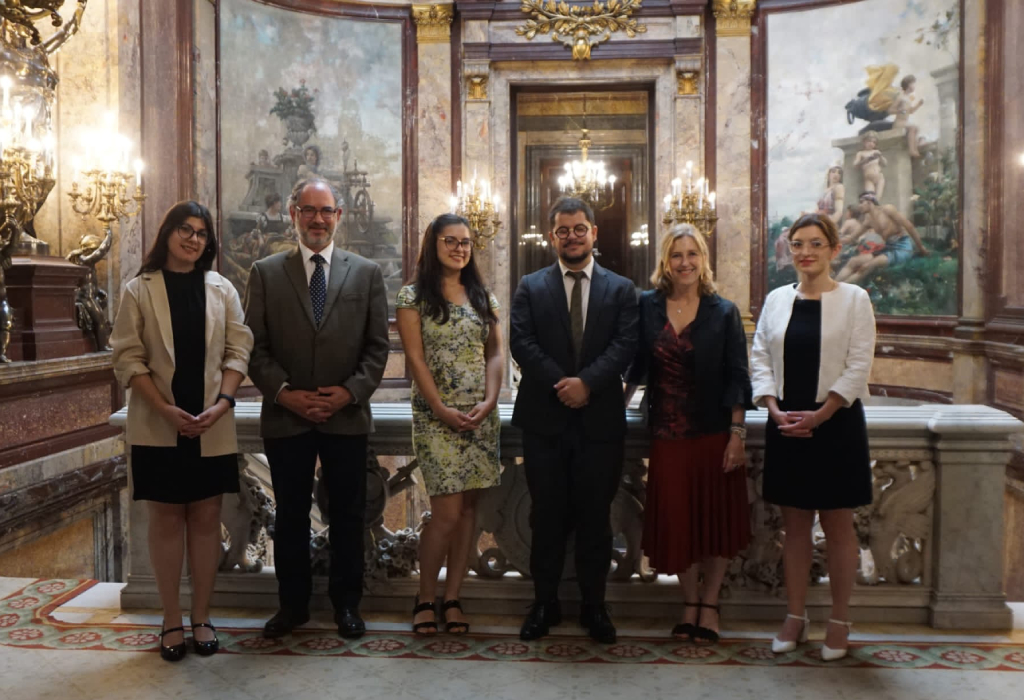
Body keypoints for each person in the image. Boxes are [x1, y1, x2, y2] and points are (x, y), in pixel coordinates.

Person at [244, 176, 389, 640]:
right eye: (308, 211)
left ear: (339, 217)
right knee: (289, 517)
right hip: (287, 416)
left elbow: (377, 348)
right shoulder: (265, 273)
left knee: (348, 516)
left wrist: (348, 393)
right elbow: (254, 348)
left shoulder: (366, 273)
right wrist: (286, 393)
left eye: (326, 211)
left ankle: (347, 605)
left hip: (346, 416)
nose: (318, 220)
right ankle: (293, 607)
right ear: (293, 215)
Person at [110, 201, 254, 661]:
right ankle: (171, 618)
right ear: (168, 232)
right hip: (159, 423)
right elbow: (127, 359)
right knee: (168, 521)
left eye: (201, 234)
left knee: (207, 521)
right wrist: (165, 409)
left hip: (211, 424)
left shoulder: (222, 288)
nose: (194, 239)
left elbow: (238, 352)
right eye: (185, 230)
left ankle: (202, 617)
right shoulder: (139, 290)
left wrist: (223, 404)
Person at [510, 196, 638, 644]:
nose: (571, 237)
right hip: (545, 422)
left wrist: (587, 383)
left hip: (599, 424)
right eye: (562, 230)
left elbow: (625, 346)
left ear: (593, 233)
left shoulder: (621, 289)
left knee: (594, 519)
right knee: (545, 518)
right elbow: (521, 342)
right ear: (552, 236)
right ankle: (543, 604)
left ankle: (594, 607)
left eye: (579, 228)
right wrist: (564, 384)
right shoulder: (530, 285)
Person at [750, 213, 876, 662]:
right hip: (785, 422)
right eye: (798, 244)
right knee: (795, 527)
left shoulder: (855, 299)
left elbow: (860, 364)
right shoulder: (776, 300)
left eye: (816, 244)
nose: (805, 252)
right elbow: (760, 355)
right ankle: (795, 615)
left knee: (839, 526)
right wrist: (772, 408)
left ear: (833, 249)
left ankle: (840, 619)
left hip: (836, 421)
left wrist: (821, 415)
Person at [624, 224, 752, 645]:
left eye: (692, 254)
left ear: (703, 260)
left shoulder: (724, 311)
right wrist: (616, 405)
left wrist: (737, 433)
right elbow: (636, 364)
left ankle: (709, 604)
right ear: (665, 260)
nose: (684, 262)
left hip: (713, 432)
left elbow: (737, 375)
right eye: (677, 255)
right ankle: (688, 603)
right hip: (666, 433)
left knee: (713, 525)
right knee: (679, 522)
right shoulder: (648, 305)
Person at [396, 213, 503, 635]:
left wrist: (491, 399)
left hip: (480, 415)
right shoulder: (412, 297)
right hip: (437, 417)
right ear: (433, 244)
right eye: (450, 241)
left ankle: (454, 596)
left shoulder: (483, 297)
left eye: (465, 242)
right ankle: (425, 597)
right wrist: (439, 407)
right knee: (446, 512)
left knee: (470, 512)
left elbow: (496, 353)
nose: (459, 249)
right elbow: (415, 359)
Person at [835, 192, 930, 284]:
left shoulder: (887, 210)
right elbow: (851, 238)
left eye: (861, 202)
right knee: (853, 261)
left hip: (901, 248)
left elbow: (909, 227)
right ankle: (832, 287)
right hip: (887, 249)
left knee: (867, 266)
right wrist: (833, 240)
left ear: (869, 202)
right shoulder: (868, 220)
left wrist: (921, 248)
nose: (859, 206)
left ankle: (839, 290)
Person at [890, 75, 924, 158]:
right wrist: (900, 111)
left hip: (905, 122)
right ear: (908, 85)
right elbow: (890, 110)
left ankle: (915, 148)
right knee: (913, 127)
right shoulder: (900, 97)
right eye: (913, 84)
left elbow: (911, 111)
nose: (914, 86)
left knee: (916, 128)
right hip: (899, 122)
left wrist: (919, 105)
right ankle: (912, 150)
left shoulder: (908, 98)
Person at [853, 132, 887, 200]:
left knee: (878, 198)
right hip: (868, 178)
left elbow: (885, 164)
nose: (871, 144)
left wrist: (880, 156)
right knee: (870, 198)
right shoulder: (861, 153)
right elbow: (855, 165)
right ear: (864, 142)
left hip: (878, 177)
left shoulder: (876, 152)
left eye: (874, 142)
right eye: (869, 141)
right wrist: (867, 160)